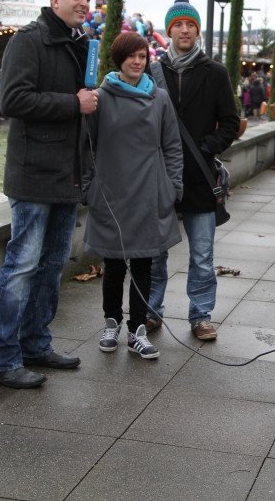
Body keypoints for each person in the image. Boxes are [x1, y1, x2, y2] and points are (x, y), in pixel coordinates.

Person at [0, 0, 99, 389]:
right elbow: (11, 100)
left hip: (67, 177)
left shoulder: (82, 44)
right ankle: (0, 359)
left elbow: (86, 106)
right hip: (33, 175)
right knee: (21, 267)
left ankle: (35, 343)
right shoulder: (29, 40)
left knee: (51, 267)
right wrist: (74, 103)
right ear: (55, 0)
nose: (85, 2)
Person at [84, 32, 183, 360]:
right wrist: (89, 186)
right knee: (113, 264)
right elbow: (88, 145)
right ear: (119, 59)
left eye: (142, 56)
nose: (137, 61)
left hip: (149, 192)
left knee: (145, 264)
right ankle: (111, 322)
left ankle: (137, 329)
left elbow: (172, 145)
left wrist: (173, 186)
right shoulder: (100, 97)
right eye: (131, 56)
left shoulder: (159, 98)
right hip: (112, 193)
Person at [146, 0, 240, 341]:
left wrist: (207, 146)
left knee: (202, 254)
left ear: (197, 30)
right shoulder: (152, 71)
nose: (184, 31)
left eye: (190, 25)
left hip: (200, 176)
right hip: (160, 176)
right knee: (155, 252)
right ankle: (151, 310)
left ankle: (200, 315)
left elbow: (230, 122)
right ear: (169, 30)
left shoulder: (215, 73)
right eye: (178, 25)